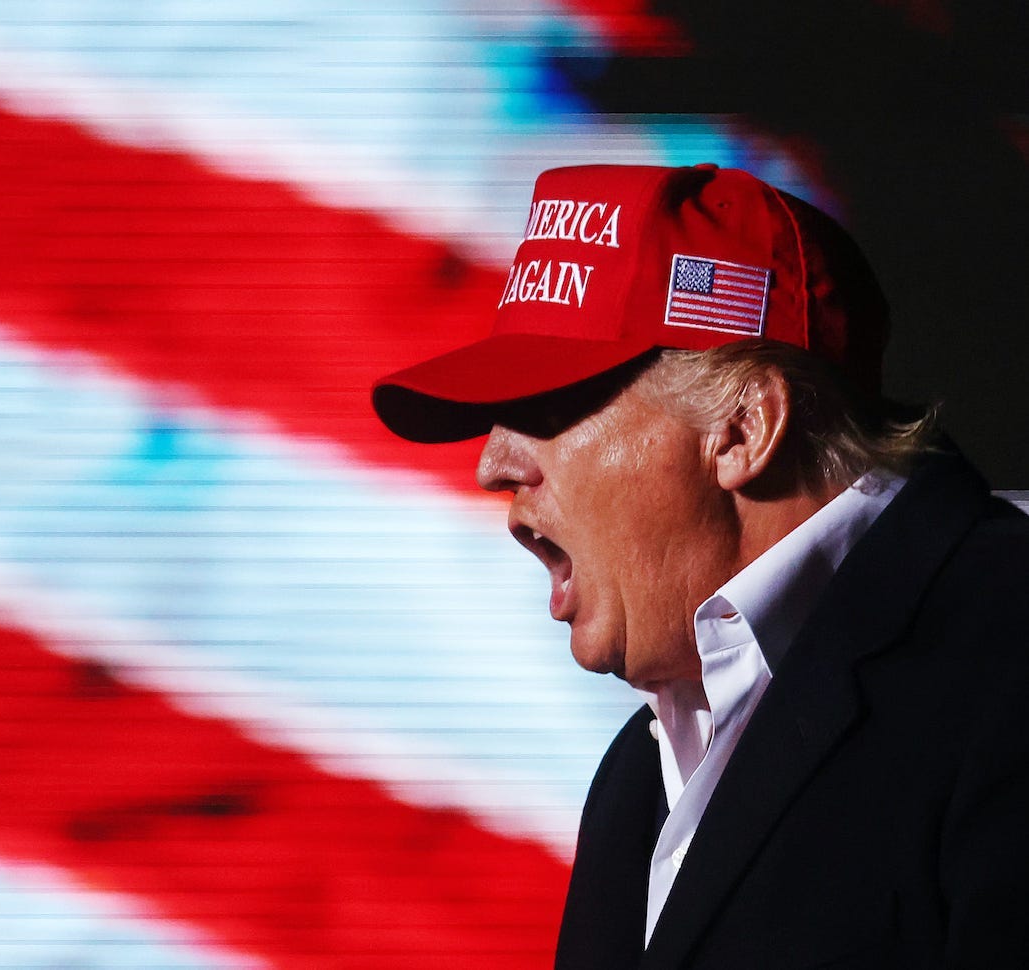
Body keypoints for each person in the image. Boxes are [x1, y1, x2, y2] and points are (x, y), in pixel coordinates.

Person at [369, 163, 1029, 969]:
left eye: (548, 403)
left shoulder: (1003, 663)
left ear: (744, 428)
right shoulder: (637, 775)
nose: (494, 464)